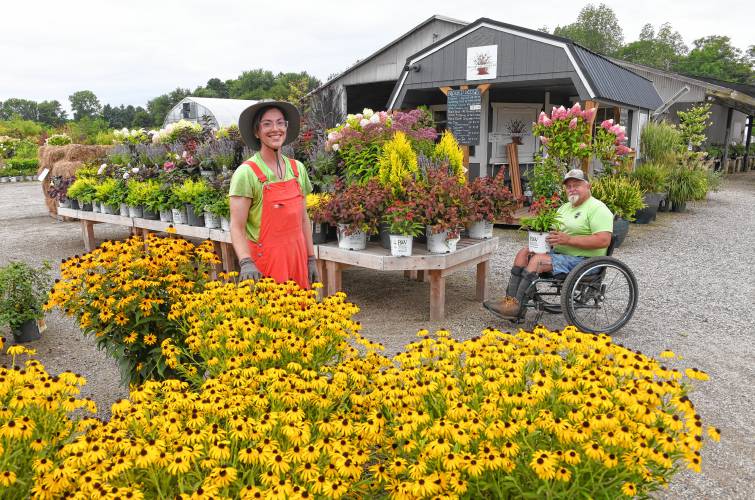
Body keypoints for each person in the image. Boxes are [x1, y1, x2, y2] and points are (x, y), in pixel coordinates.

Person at [484, 169, 613, 319]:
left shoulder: (597, 208)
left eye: (576, 185)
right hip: (562, 254)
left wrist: (568, 240)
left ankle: (517, 308)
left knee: (537, 261)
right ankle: (509, 301)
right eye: (568, 186)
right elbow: (553, 232)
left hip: (584, 261)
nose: (571, 189)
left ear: (588, 186)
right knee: (524, 252)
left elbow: (604, 240)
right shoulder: (565, 208)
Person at [229, 100, 319, 289]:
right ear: (257, 131)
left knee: (300, 314)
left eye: (280, 123)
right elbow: (237, 227)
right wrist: (246, 262)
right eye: (267, 124)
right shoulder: (247, 173)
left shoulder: (297, 170)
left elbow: (303, 219)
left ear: (286, 127)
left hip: (297, 259)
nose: (275, 129)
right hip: (265, 264)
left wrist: (311, 258)